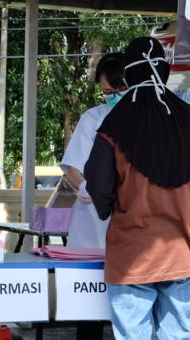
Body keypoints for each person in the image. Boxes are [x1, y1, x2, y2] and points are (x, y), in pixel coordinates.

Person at [85, 37, 190, 340]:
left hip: (133, 255)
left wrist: (115, 207)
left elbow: (98, 184)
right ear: (165, 69)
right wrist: (182, 202)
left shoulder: (114, 124)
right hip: (184, 252)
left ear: (129, 73)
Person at [61, 52, 127, 250]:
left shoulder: (146, 119)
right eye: (107, 92)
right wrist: (84, 187)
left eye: (120, 90)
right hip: (92, 221)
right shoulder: (93, 118)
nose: (114, 97)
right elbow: (72, 166)